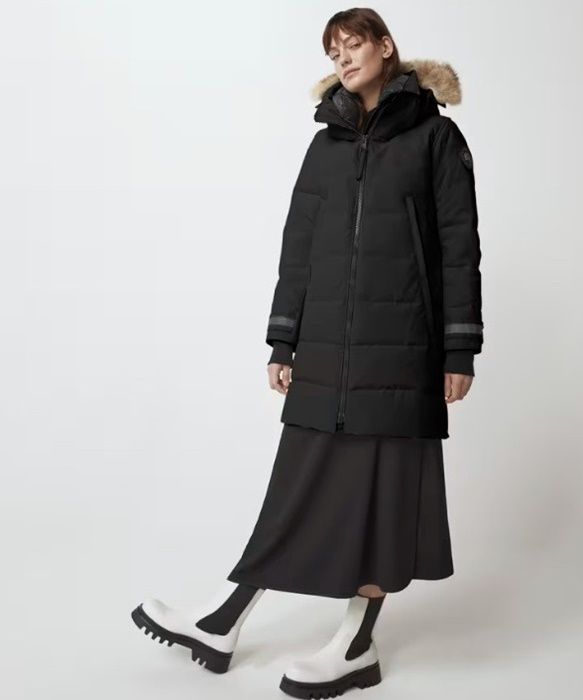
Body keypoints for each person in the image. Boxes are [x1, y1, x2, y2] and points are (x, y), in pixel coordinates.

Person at [131, 7, 483, 698]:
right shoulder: (325, 144)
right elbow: (299, 247)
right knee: (298, 486)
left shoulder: (436, 137)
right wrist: (283, 336)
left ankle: (354, 643)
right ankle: (222, 622)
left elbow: (459, 246)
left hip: (402, 351)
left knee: (384, 497)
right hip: (325, 347)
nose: (343, 58)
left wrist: (459, 349)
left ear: (386, 47)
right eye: (333, 51)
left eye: (353, 45)